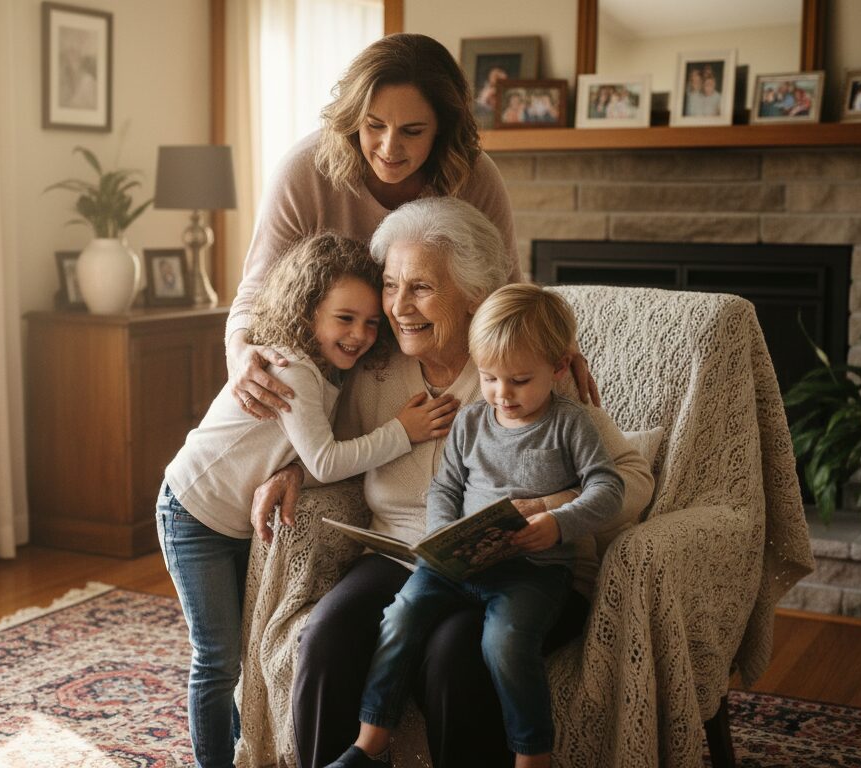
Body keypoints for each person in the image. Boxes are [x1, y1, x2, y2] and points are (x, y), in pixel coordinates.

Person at [245, 197, 654, 768]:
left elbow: (631, 477)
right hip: (405, 554)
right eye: (391, 286)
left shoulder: (527, 373)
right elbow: (331, 445)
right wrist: (290, 471)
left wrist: (549, 507)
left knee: (452, 656)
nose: (398, 307)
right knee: (327, 635)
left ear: (474, 297)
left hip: (516, 567)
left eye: (421, 288)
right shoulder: (377, 365)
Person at [158, 233, 457, 768]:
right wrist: (403, 430)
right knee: (217, 659)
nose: (360, 335)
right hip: (193, 513)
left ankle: (239, 751)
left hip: (234, 522)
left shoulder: (335, 375)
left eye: (370, 322)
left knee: (239, 656)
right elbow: (326, 460)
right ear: (307, 310)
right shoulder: (294, 367)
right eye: (344, 319)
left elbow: (314, 460)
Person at [224, 33, 601, 428]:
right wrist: (239, 353)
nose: (389, 147)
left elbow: (503, 287)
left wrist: (553, 340)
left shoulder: (475, 176)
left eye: (413, 131)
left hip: (418, 366)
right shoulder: (303, 172)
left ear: (442, 129)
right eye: (374, 126)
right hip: (317, 371)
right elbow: (256, 291)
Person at [324, 283, 626, 768]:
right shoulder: (471, 422)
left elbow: (609, 490)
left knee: (503, 642)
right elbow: (445, 487)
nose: (502, 395)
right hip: (460, 562)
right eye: (489, 378)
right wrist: (443, 535)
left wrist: (558, 522)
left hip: (533, 570)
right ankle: (370, 742)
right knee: (400, 616)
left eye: (519, 381)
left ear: (558, 368)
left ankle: (533, 755)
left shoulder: (571, 424)